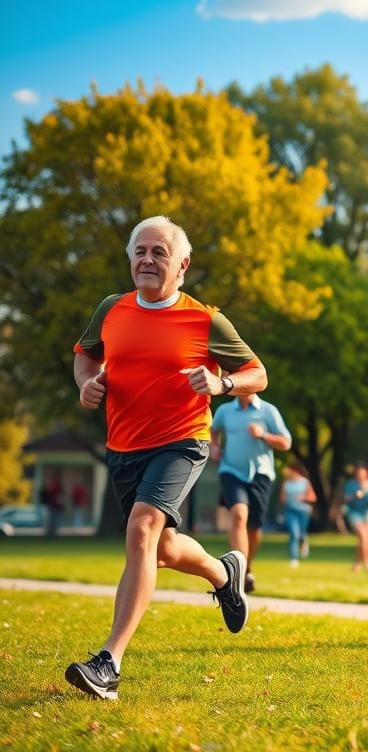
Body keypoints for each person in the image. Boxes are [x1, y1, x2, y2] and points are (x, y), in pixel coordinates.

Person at [66, 215, 266, 700]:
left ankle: (109, 663)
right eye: (140, 251)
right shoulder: (111, 309)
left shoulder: (205, 319)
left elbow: (257, 374)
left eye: (159, 252)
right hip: (123, 446)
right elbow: (86, 355)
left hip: (182, 440)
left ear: (182, 264)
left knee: (141, 528)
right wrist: (86, 385)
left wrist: (221, 383)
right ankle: (224, 573)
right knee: (159, 548)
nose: (147, 260)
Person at [211, 392, 292, 593]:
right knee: (239, 516)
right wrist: (214, 446)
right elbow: (213, 430)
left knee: (254, 528)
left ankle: (247, 567)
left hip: (261, 475)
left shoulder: (268, 411)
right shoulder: (225, 411)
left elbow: (286, 443)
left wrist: (263, 435)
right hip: (231, 471)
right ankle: (239, 572)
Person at [343, 461, 368, 573]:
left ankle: (357, 562)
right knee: (363, 535)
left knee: (363, 537)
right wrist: (355, 495)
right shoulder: (351, 484)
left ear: (366, 472)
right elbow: (345, 499)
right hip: (355, 512)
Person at [279, 462, 316, 567]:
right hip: (290, 510)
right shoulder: (286, 482)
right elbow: (282, 498)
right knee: (294, 533)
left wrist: (303, 497)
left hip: (303, 511)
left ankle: (304, 541)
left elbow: (313, 497)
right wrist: (284, 500)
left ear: (295, 471)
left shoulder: (305, 482)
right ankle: (294, 558)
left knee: (302, 533)